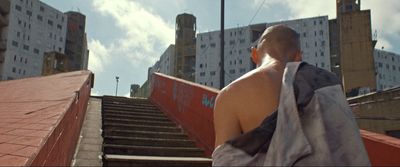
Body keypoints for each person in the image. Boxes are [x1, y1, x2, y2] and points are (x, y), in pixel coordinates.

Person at [212, 25, 370, 166]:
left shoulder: (230, 94)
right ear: (298, 56)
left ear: (254, 54)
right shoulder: (326, 83)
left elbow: (226, 161)